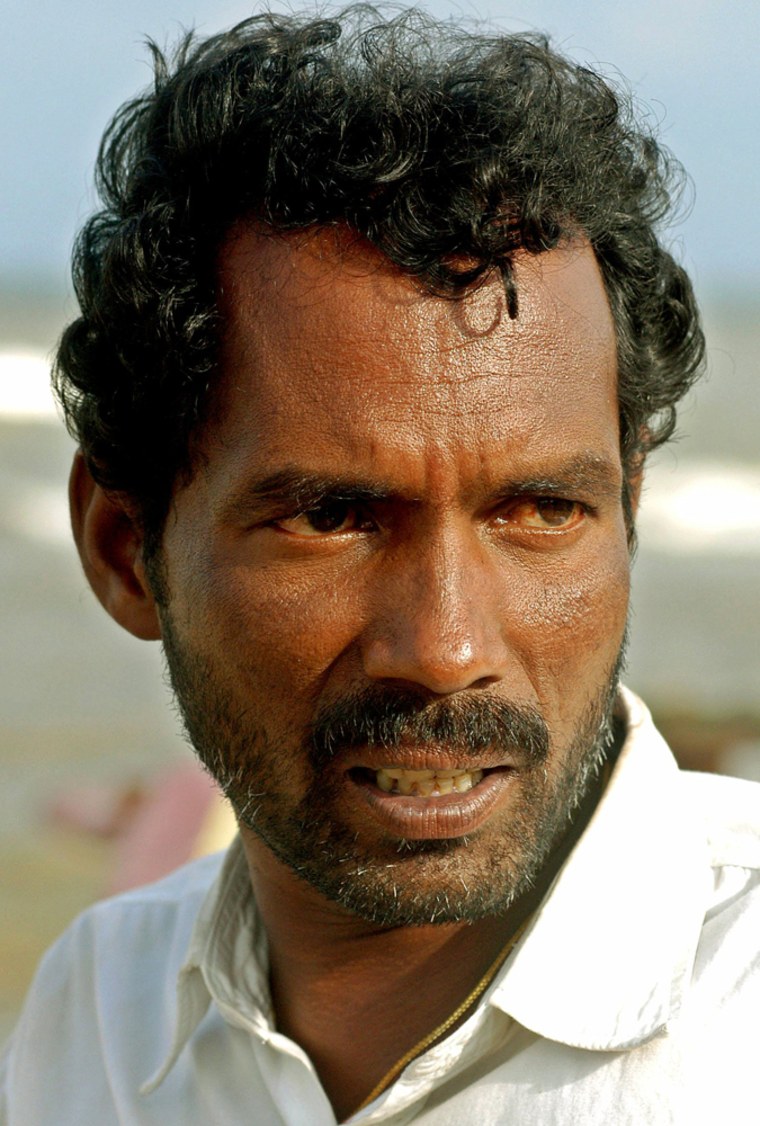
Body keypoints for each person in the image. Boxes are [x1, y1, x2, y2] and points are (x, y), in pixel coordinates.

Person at [2, 7, 759, 1123]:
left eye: (542, 509)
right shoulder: (99, 1022)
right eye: (331, 517)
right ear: (125, 552)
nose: (446, 647)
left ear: (630, 512)